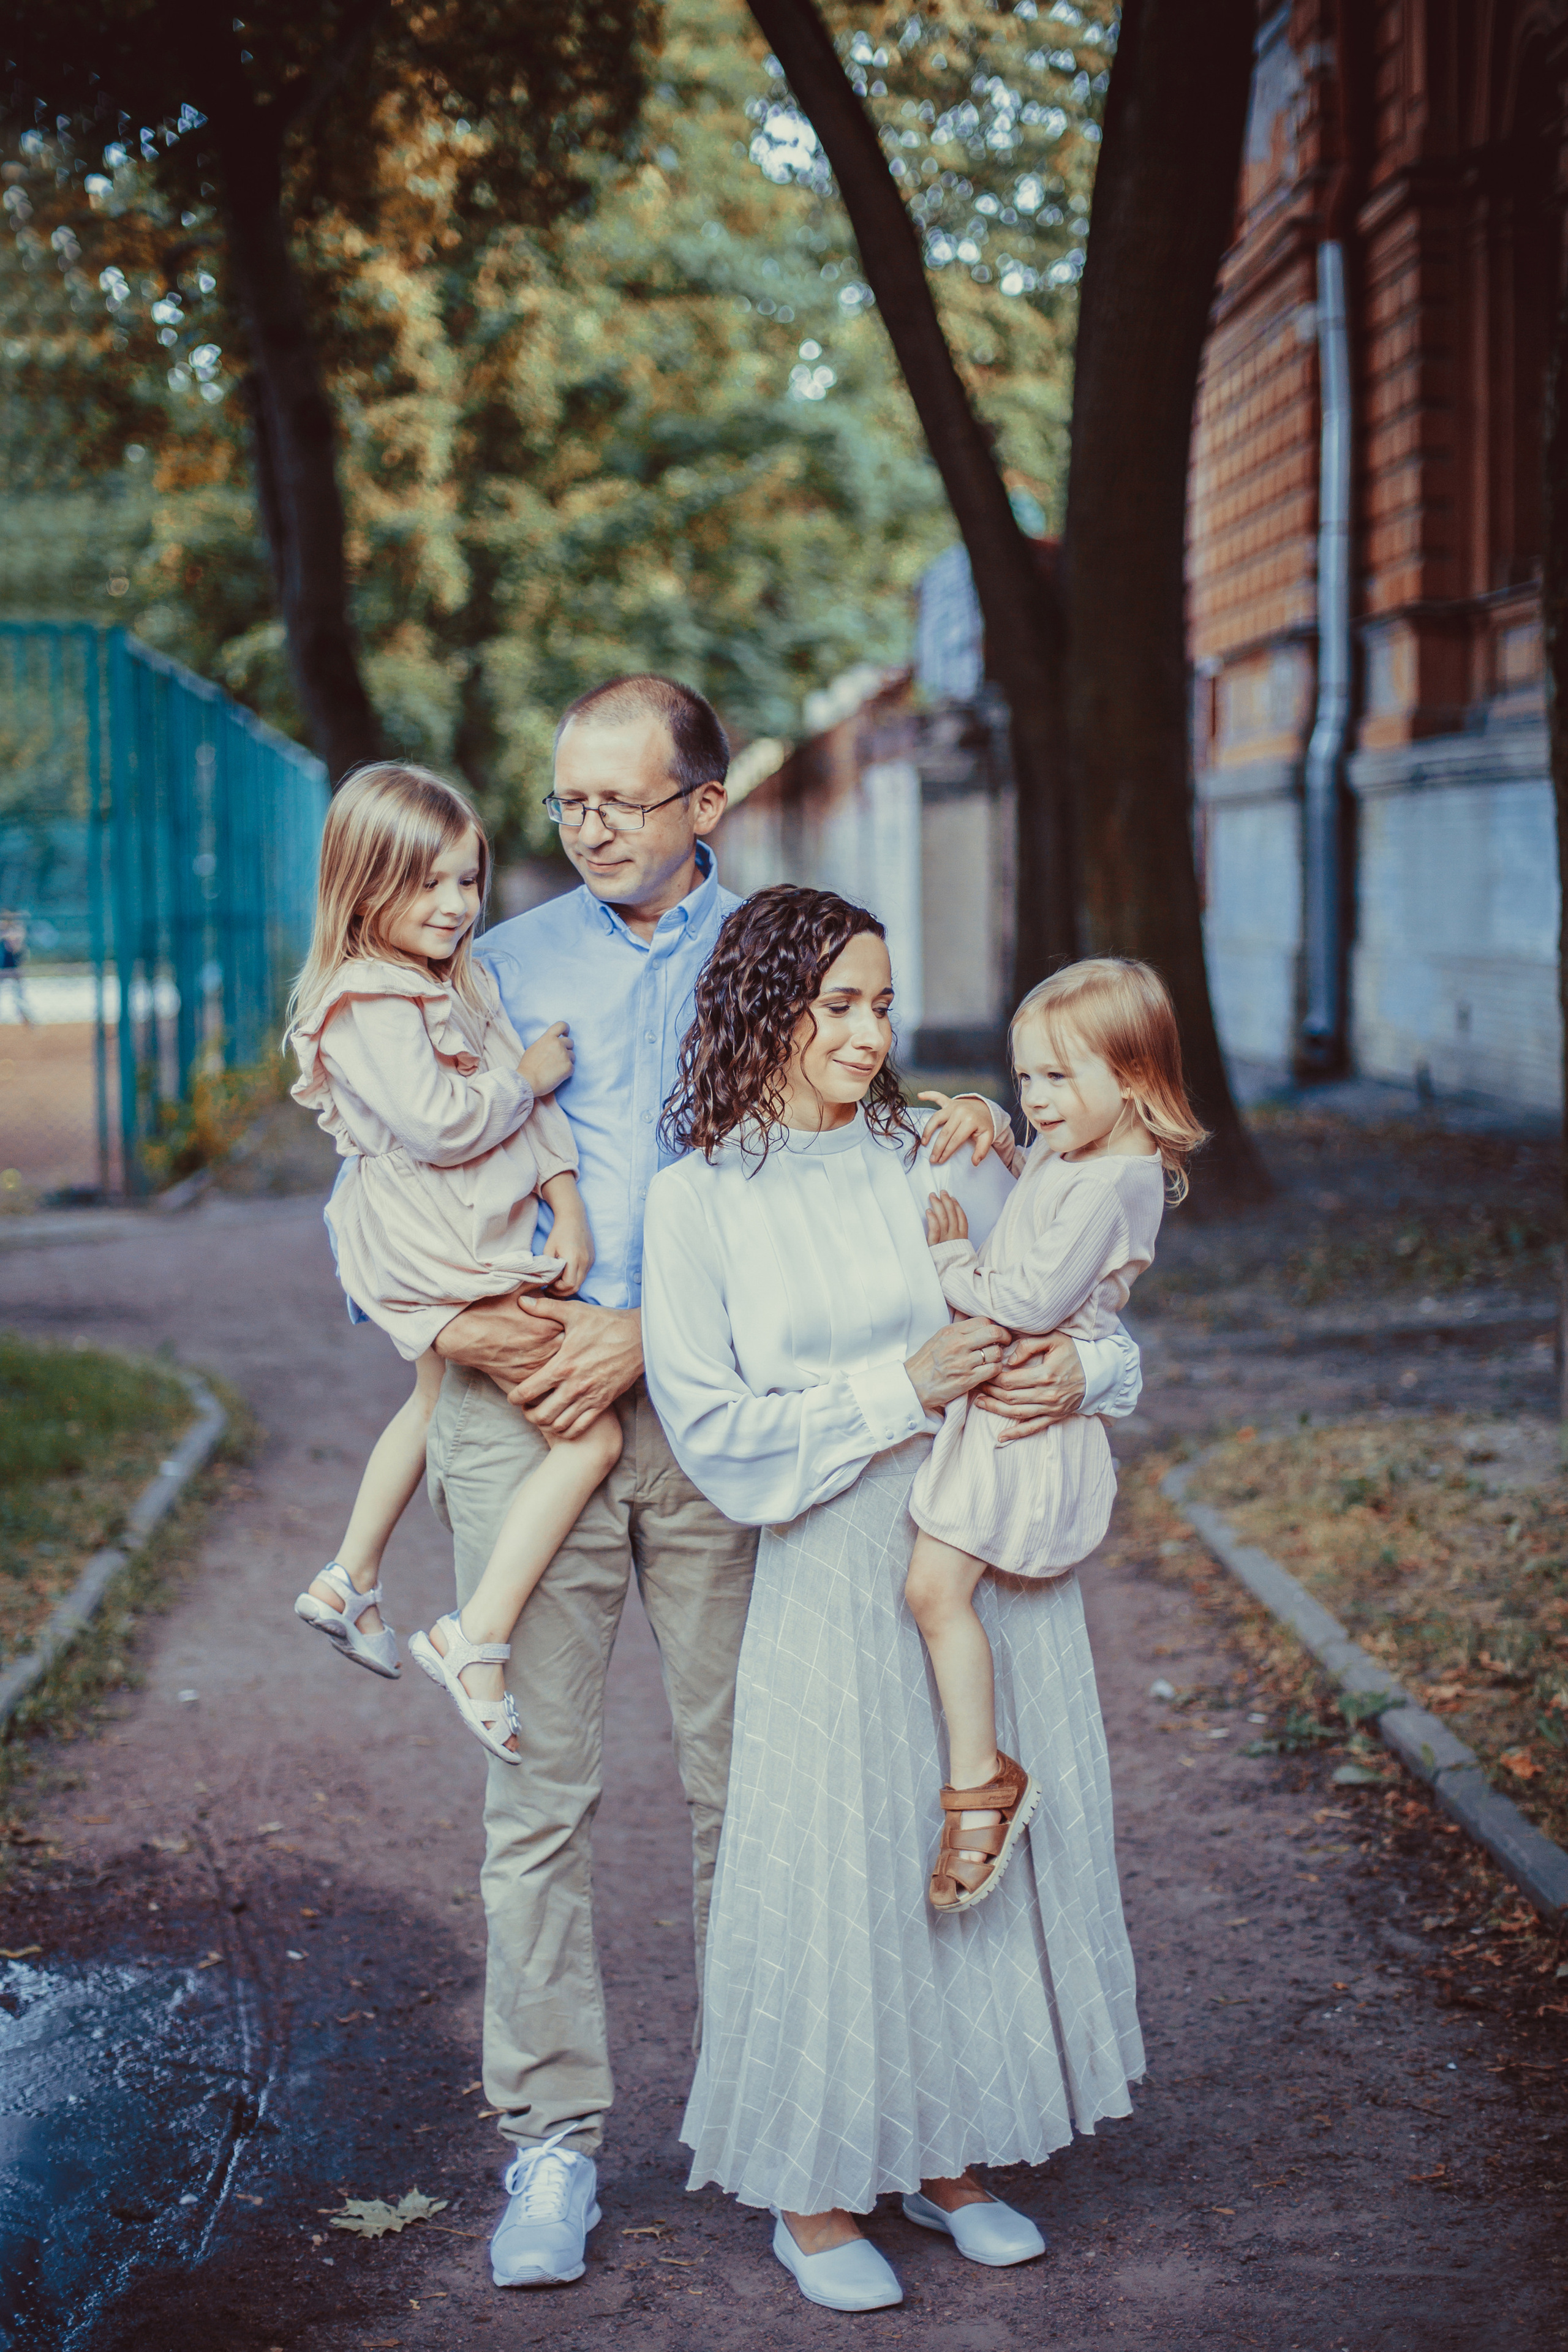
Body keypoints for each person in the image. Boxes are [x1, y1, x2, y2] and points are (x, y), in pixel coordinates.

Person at [404, 675, 1136, 2293]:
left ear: (704, 805)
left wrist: (658, 1328)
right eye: (568, 796)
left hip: (742, 1446)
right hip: (535, 1403)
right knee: (540, 1791)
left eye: (622, 796)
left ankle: (837, 2139)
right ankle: (556, 2144)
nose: (585, 824)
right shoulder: (495, 967)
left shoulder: (799, 969)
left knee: (790, 1806)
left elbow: (1007, 1279)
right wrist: (506, 1327)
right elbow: (383, 1188)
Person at [641, 885, 1146, 2316]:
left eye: (879, 1001)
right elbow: (716, 1430)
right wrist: (898, 1384)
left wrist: (1083, 1377)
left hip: (984, 1555)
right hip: (831, 1561)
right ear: (760, 1008)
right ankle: (809, 2191)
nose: (868, 1033)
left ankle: (951, 2154)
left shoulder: (950, 1152)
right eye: (836, 1004)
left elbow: (1092, 1320)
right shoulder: (696, 1203)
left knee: (965, 1850)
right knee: (837, 1855)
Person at [287, 763, 621, 1758]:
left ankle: (348, 1582)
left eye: (467, 882)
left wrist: (567, 1206)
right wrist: (522, 1079)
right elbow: (442, 1126)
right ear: (362, 883)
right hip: (431, 1248)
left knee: (432, 1408)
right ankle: (473, 1639)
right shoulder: (362, 1003)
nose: (453, 904)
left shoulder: (457, 979)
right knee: (592, 1438)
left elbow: (534, 1115)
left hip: (478, 1231)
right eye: (424, 883)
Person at [906, 957, 1206, 1913]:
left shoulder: (1113, 1183)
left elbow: (1029, 1298)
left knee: (934, 1589)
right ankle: (978, 1781)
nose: (1036, 1098)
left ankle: (979, 1791)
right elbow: (1034, 1178)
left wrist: (952, 1257)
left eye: (1057, 1078)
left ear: (1132, 1075)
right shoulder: (1078, 1156)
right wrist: (996, 1124)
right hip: (1006, 1408)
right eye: (1025, 1075)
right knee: (936, 1591)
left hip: (1022, 1416)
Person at [0, 911, 32, 1025]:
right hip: (3, 968)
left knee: (19, 995)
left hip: (13, 968)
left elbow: (17, 949)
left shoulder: (16, 932)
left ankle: (25, 1017)